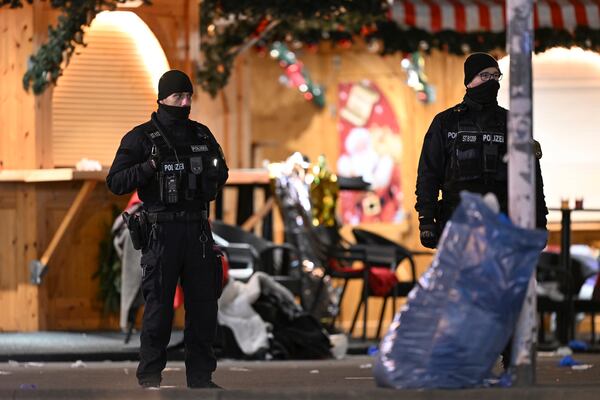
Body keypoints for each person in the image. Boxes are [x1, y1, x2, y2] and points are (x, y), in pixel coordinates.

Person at [106, 70, 228, 389]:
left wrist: (206, 180)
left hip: (198, 232)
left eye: (188, 97)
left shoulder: (201, 135)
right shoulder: (141, 137)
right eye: (178, 97)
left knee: (203, 309)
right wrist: (149, 168)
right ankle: (149, 377)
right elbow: (115, 181)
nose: (184, 103)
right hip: (161, 233)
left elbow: (221, 171)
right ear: (162, 99)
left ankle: (201, 378)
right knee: (158, 310)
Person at [415, 52, 547, 249]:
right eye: (484, 76)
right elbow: (429, 174)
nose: (491, 81)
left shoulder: (513, 123)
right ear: (469, 81)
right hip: (457, 226)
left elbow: (531, 178)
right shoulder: (446, 122)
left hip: (503, 228)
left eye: (495, 76)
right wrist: (426, 219)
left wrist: (539, 221)